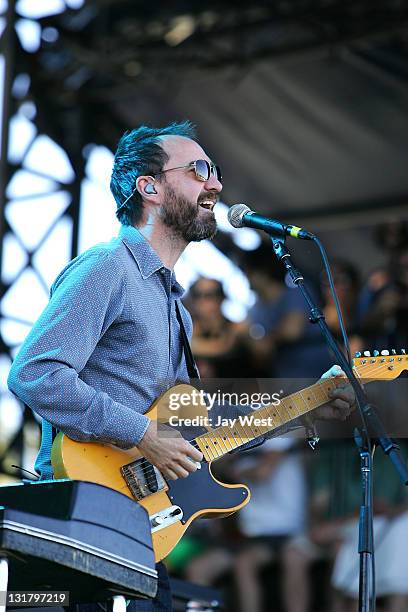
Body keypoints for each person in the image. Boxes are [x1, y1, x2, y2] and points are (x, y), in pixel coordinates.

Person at [7, 121, 355, 611]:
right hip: (76, 526)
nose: (215, 184)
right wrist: (143, 436)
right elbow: (34, 372)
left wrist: (310, 405)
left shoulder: (177, 308)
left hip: (140, 529)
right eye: (200, 169)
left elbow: (193, 427)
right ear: (149, 187)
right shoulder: (108, 267)